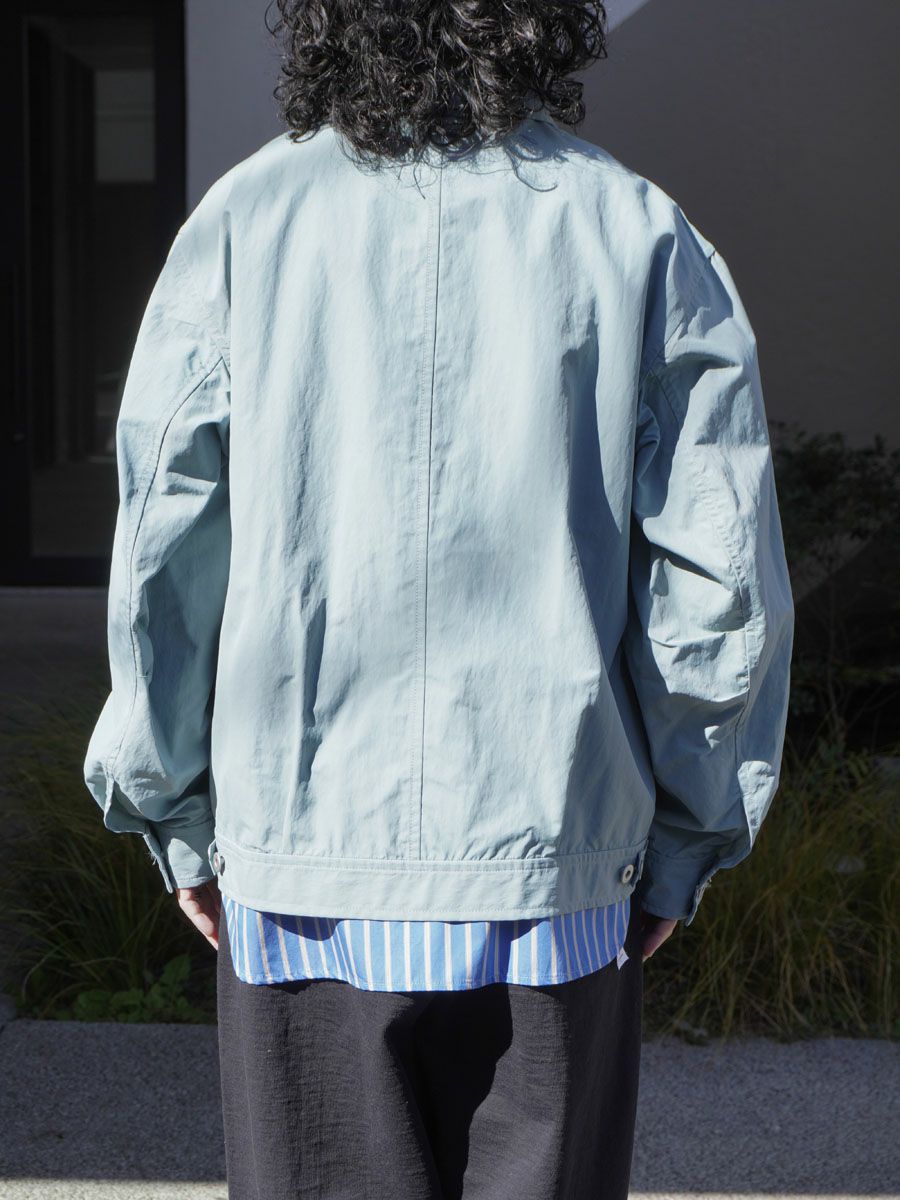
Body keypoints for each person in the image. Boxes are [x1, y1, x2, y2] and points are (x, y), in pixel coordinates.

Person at [83, 1, 795, 1196]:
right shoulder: (636, 230)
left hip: (303, 874)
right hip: (554, 871)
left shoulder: (243, 223)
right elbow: (718, 586)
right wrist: (687, 835)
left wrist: (173, 809)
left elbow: (164, 546)